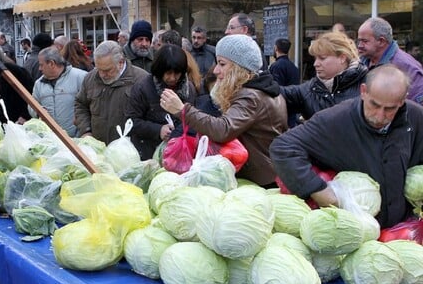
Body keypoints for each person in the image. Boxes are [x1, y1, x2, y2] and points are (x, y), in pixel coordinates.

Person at [270, 65, 422, 229]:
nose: (380, 115)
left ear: (402, 100)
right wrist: (316, 189)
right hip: (356, 230)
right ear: (363, 91)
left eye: (390, 109)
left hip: (404, 227)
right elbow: (282, 147)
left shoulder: (415, 117)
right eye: (374, 105)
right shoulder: (336, 119)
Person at [160, 34, 287, 187]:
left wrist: (182, 110)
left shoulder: (251, 96)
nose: (216, 71)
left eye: (222, 64)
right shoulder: (259, 89)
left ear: (239, 68)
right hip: (263, 174)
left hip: (261, 181)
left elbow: (223, 129)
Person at [125, 44, 197, 160]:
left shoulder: (189, 89)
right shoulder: (142, 88)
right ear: (159, 71)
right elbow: (131, 122)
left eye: (177, 73)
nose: (173, 78)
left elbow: (193, 121)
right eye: (168, 73)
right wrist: (158, 130)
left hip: (178, 154)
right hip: (148, 154)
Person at [281, 32, 367, 124]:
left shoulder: (369, 84)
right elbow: (281, 93)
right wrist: (266, 83)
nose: (315, 64)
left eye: (322, 58)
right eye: (315, 59)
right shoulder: (310, 89)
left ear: (342, 58)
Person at [75, 40, 149, 144]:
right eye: (99, 69)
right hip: (98, 149)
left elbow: (150, 116)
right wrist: (86, 130)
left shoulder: (141, 80)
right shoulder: (90, 78)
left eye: (107, 70)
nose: (102, 74)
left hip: (130, 150)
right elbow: (81, 105)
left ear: (121, 63)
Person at [357, 17, 423, 104]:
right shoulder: (361, 61)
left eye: (364, 41)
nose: (359, 45)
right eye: (359, 41)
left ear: (381, 41)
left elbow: (417, 110)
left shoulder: (408, 68)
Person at [28, 46, 86, 137]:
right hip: (50, 140)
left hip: (77, 140)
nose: (39, 68)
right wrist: (38, 111)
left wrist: (83, 133)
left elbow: (89, 106)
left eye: (41, 65)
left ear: (51, 63)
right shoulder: (38, 84)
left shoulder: (80, 77)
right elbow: (31, 105)